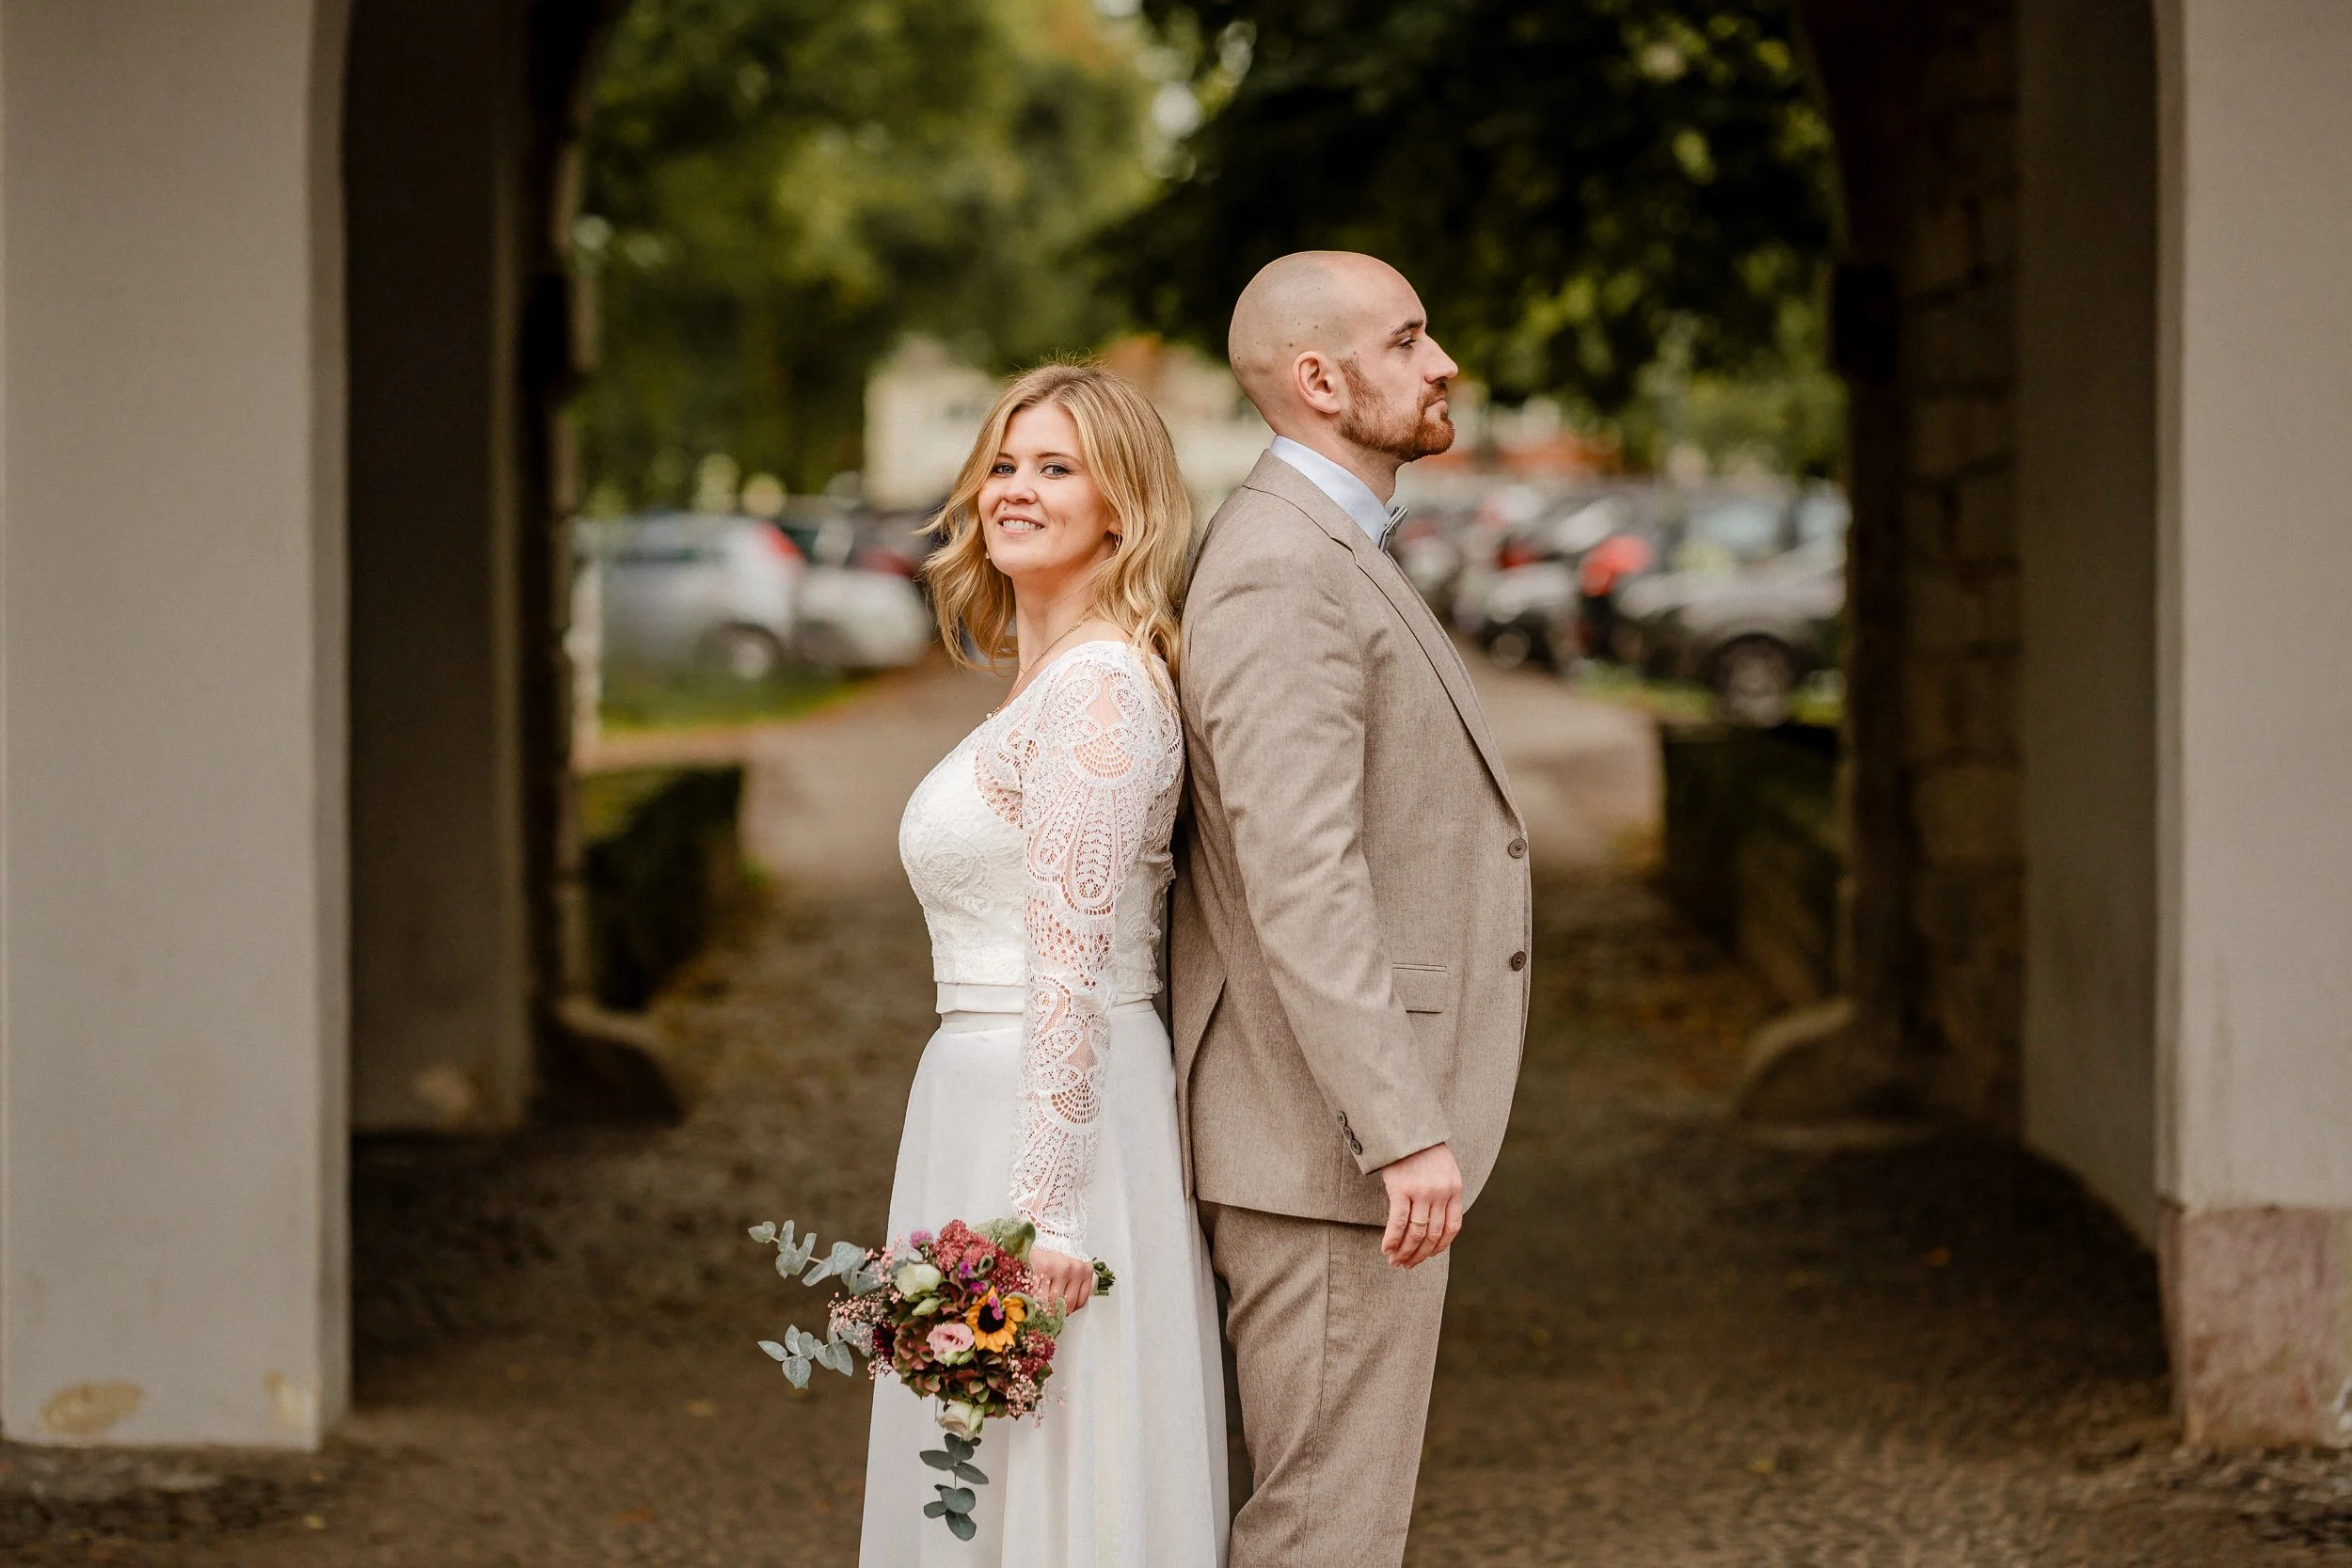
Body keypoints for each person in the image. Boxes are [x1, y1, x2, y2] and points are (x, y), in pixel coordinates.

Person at [1171, 251, 1532, 1568]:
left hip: (1327, 1143)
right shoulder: (1280, 566)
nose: (1443, 364)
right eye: (1408, 339)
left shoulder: (1322, 545)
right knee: (1324, 1530)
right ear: (1320, 381)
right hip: (1322, 1149)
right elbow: (1302, 874)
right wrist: (1399, 1124)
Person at [866, 362, 1228, 1567]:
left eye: (1055, 467)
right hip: (978, 1098)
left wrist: (1049, 1211)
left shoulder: (1101, 692)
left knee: (1064, 1460)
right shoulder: (1047, 679)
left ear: (1120, 506)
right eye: (1005, 464)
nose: (1014, 488)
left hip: (1055, 1126)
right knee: (982, 1465)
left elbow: (1070, 961)